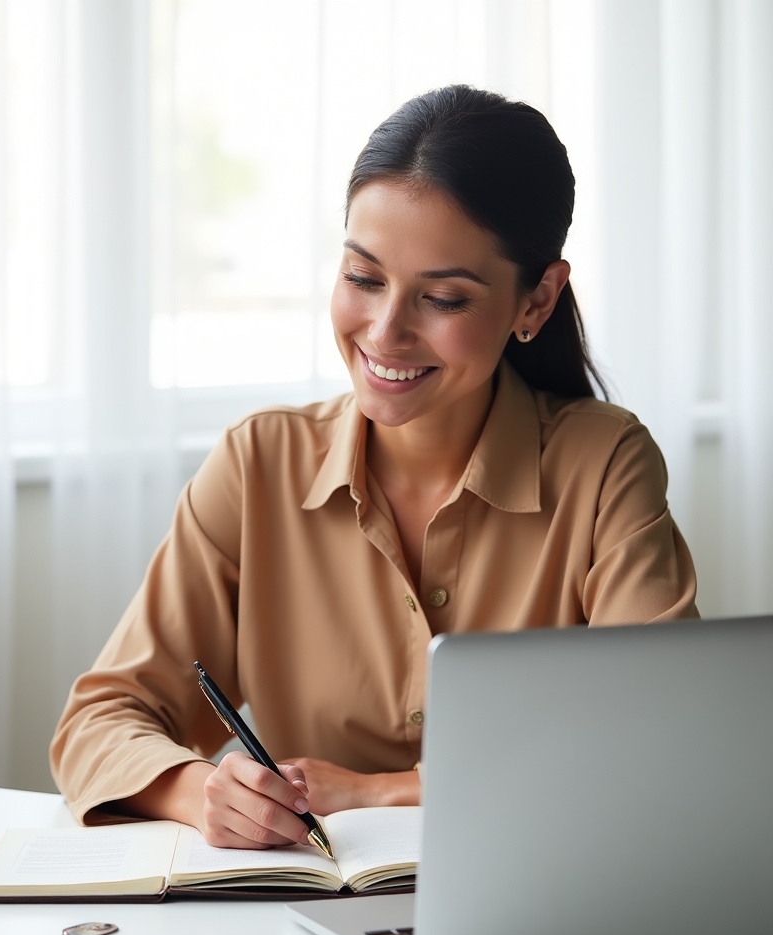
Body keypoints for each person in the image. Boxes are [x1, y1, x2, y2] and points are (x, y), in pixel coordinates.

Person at [50, 85, 698, 850]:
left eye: (445, 298)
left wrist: (377, 794)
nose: (385, 332)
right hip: (301, 918)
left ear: (537, 301)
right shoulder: (260, 465)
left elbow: (660, 741)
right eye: (363, 278)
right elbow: (99, 722)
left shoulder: (604, 465)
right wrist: (202, 793)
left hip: (540, 901)